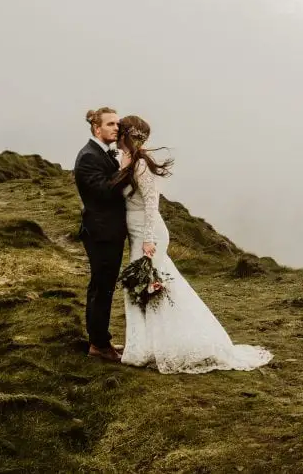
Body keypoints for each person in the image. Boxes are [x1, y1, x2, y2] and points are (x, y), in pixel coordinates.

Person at [115, 114, 272, 374]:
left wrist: (149, 238)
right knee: (144, 287)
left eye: (120, 131)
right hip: (136, 232)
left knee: (146, 287)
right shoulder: (124, 160)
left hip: (148, 233)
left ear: (126, 135)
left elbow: (152, 201)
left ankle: (146, 348)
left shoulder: (140, 165)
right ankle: (142, 346)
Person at [73, 107, 130, 362]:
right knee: (101, 287)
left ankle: (101, 339)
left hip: (108, 231)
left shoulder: (101, 152)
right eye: (110, 124)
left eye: (117, 124)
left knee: (105, 286)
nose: (116, 128)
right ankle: (98, 345)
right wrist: (125, 169)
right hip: (101, 233)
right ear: (97, 129)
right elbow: (105, 192)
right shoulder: (88, 156)